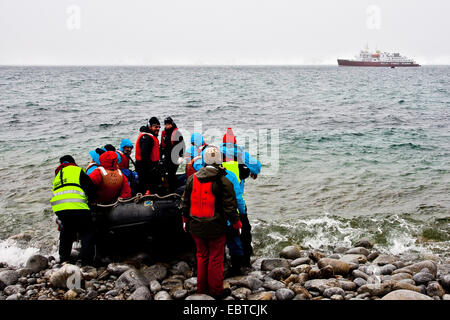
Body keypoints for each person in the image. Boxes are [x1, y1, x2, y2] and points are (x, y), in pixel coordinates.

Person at [181, 146, 241, 299]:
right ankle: (215, 291)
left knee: (201, 256)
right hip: (215, 227)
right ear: (219, 161)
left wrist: (185, 220)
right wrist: (237, 224)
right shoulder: (224, 180)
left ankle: (202, 290)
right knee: (216, 258)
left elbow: (185, 203)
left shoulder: (192, 179)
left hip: (195, 226)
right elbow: (230, 207)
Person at [221, 127, 261, 267]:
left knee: (222, 231)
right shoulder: (240, 153)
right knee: (243, 230)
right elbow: (257, 167)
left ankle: (222, 260)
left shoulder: (216, 153)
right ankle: (244, 261)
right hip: (236, 200)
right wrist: (250, 171)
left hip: (218, 201)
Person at [50, 155, 96, 265]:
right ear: (73, 162)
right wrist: (92, 201)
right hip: (77, 206)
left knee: (66, 231)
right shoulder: (77, 170)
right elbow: (90, 187)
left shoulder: (57, 176)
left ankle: (64, 258)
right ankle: (87, 261)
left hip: (59, 209)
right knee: (87, 231)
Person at [135, 117, 161, 194]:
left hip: (150, 168)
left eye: (159, 127)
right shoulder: (146, 138)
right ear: (150, 127)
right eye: (156, 127)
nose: (158, 129)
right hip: (145, 169)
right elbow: (144, 157)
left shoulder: (150, 136)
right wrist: (151, 169)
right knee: (147, 188)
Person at [160, 117, 185, 192]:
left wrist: (180, 157)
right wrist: (160, 157)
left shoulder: (177, 133)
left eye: (169, 124)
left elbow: (182, 146)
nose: (167, 126)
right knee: (163, 171)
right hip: (167, 156)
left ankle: (173, 189)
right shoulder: (164, 133)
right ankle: (167, 186)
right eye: (166, 124)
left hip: (175, 156)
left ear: (172, 124)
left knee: (171, 173)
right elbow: (162, 145)